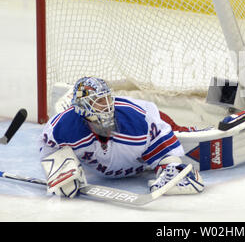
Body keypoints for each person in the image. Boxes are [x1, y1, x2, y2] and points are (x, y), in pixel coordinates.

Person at [39, 76, 204, 198]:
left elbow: (162, 137)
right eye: (99, 101)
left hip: (156, 116)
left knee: (181, 132)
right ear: (83, 106)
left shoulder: (138, 119)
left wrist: (170, 166)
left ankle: (222, 122)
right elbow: (49, 146)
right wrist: (61, 171)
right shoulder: (62, 127)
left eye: (108, 98)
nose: (108, 105)